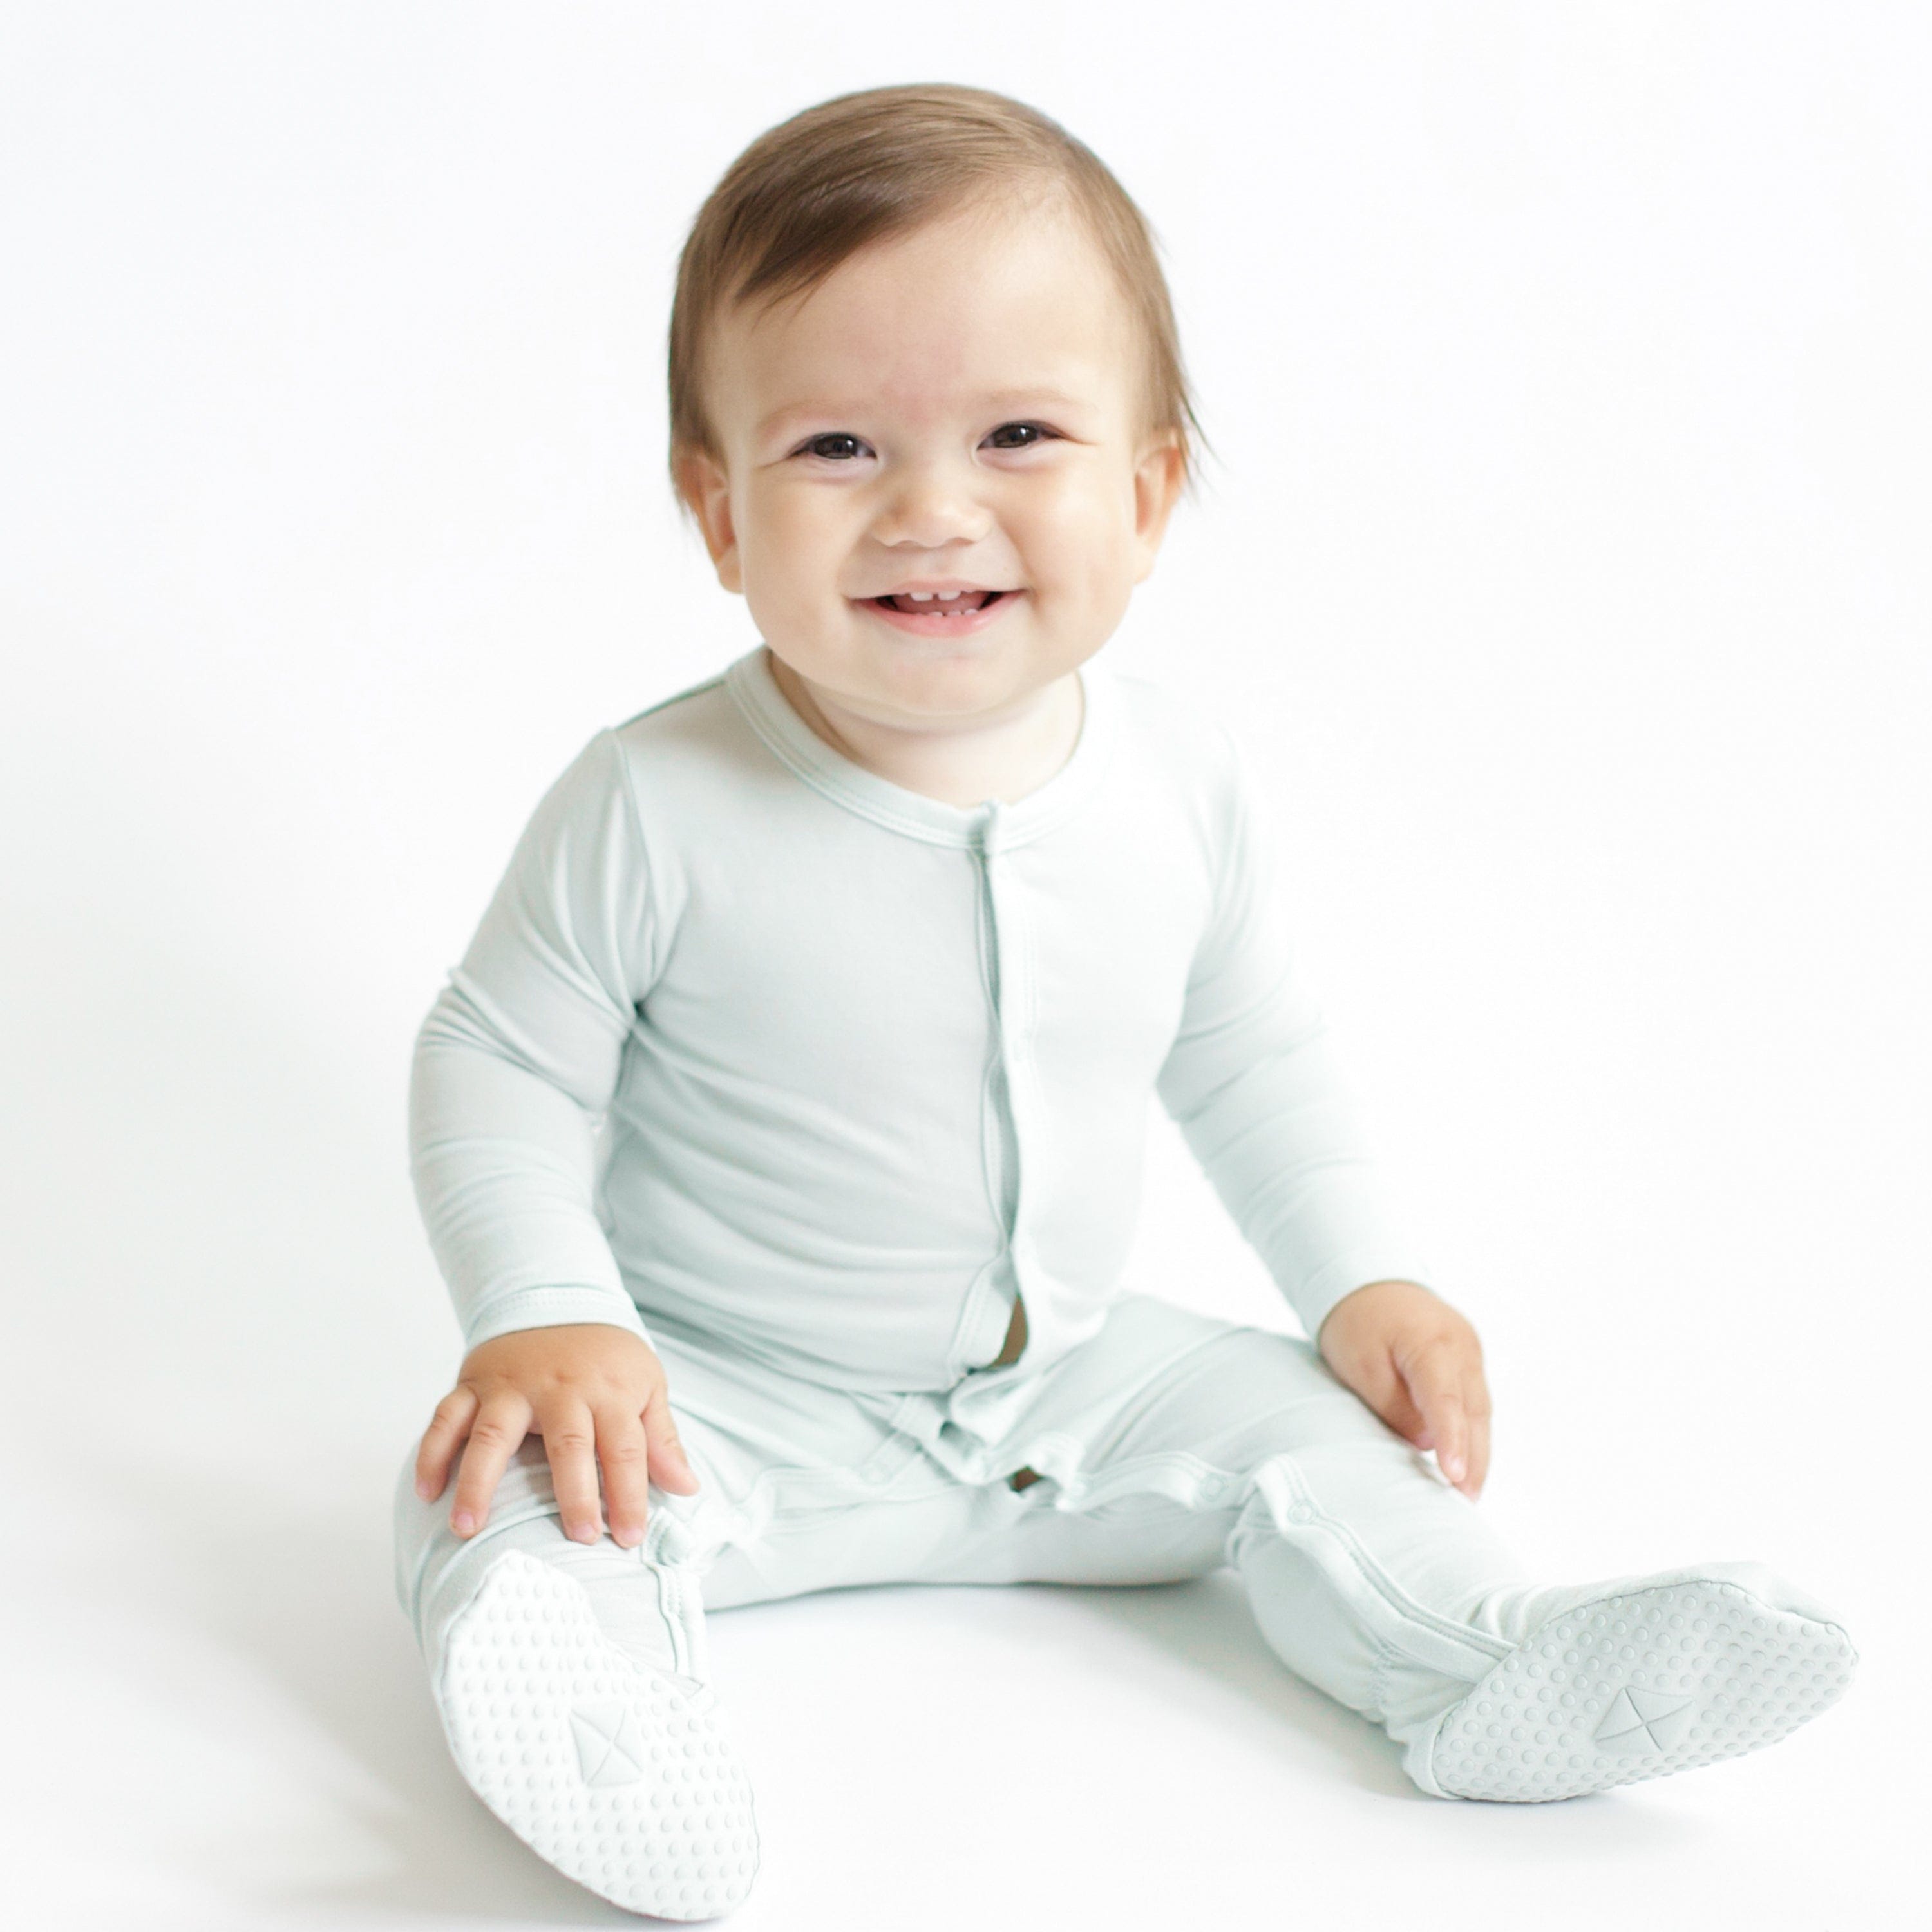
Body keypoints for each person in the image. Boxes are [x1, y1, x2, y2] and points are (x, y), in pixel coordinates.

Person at [392, 83, 1855, 1922]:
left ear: (1149, 493)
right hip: (721, 1392)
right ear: (718, 511)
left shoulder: (1175, 780)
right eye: (837, 446)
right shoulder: (655, 799)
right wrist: (548, 1317)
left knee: (1312, 1430)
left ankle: (1484, 1659)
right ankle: (603, 1721)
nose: (933, 509)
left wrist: (1361, 1282)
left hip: (1070, 1386)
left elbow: (1247, 1052)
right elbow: (497, 1060)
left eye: (1018, 434)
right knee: (502, 1493)